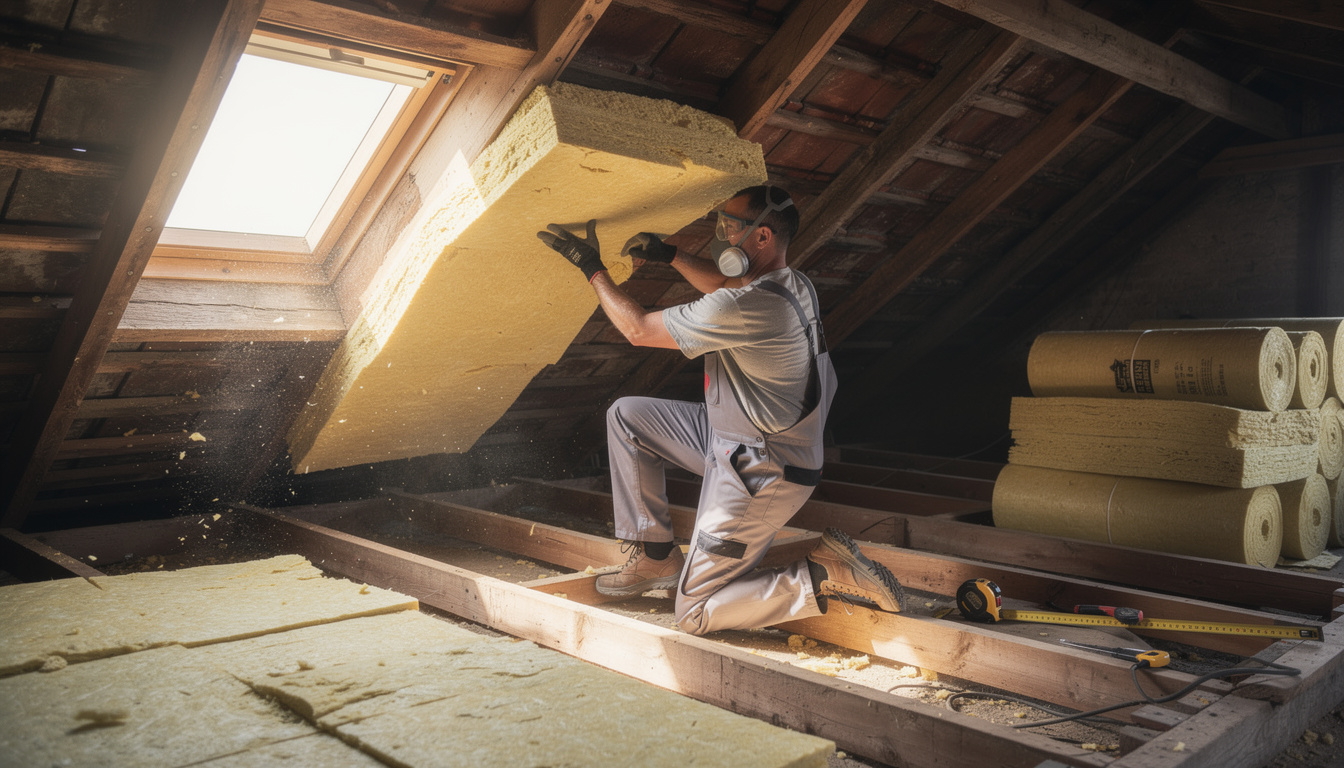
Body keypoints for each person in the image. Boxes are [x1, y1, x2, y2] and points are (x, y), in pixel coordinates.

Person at [537, 185, 904, 635]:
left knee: (692, 614)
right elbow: (727, 283)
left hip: (761, 473)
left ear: (763, 237)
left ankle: (821, 576)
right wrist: (669, 254)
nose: (724, 235)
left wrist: (591, 268)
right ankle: (656, 559)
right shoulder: (794, 284)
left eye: (732, 227)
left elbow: (636, 330)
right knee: (627, 416)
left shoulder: (750, 307)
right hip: (737, 436)